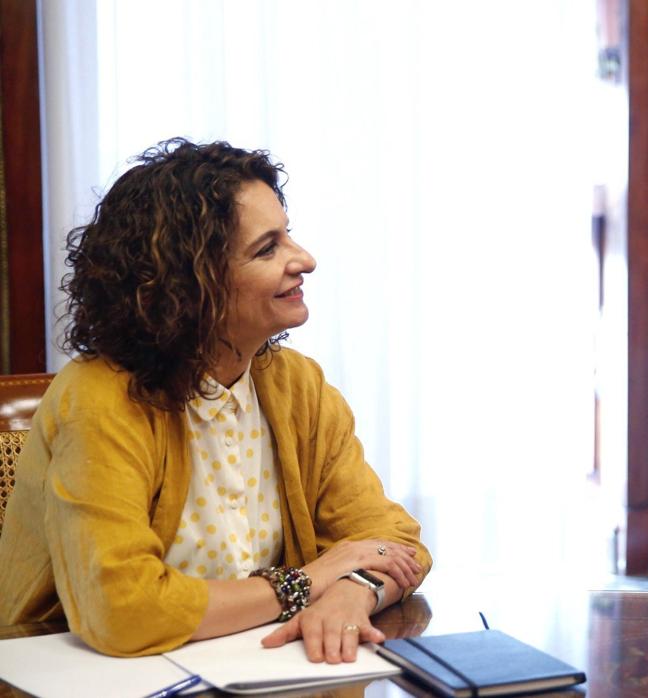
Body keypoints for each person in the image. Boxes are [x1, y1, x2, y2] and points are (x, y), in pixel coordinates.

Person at [0, 139, 432, 662]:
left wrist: (349, 591)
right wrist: (307, 581)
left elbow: (393, 539)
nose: (305, 260)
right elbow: (122, 610)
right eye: (267, 248)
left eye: (287, 234)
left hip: (258, 668)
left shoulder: (298, 386)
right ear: (190, 283)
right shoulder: (100, 397)